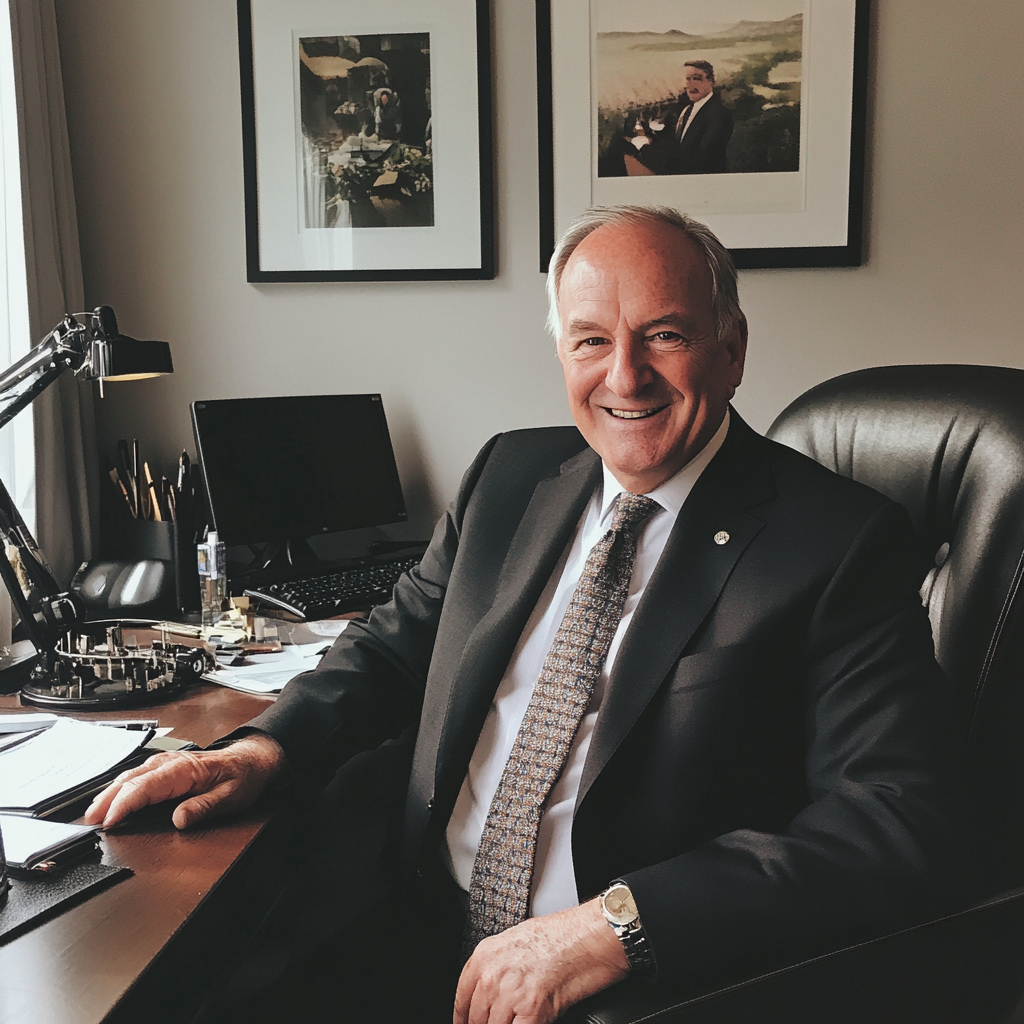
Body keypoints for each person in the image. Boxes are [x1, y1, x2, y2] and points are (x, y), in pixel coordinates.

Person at [85, 206, 966, 1024]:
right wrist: (259, 748)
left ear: (731, 351)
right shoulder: (509, 476)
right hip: (412, 925)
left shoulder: (837, 541)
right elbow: (393, 649)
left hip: (625, 985)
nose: (625, 376)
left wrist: (615, 926)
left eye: (664, 335)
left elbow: (893, 814)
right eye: (591, 341)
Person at [670, 61, 733, 174]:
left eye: (697, 78)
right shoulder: (687, 110)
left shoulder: (719, 115)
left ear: (711, 81)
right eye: (687, 79)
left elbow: (702, 158)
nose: (689, 85)